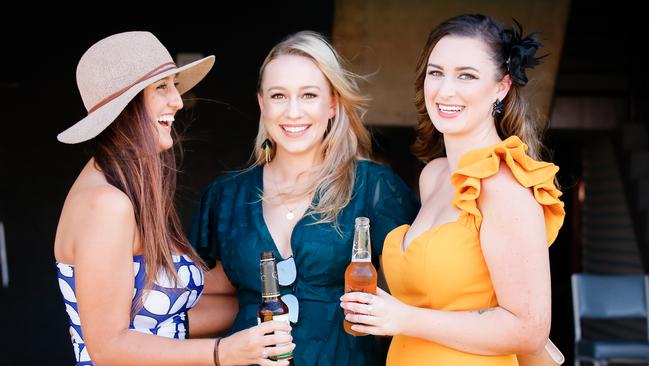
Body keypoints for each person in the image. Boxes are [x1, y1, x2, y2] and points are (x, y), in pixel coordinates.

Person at [54, 31, 293, 366]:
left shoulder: (125, 189)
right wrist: (222, 353)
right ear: (127, 104)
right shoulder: (106, 204)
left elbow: (169, 318)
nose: (178, 101)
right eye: (162, 87)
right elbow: (107, 348)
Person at [340, 14, 566, 366]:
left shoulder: (506, 188)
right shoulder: (435, 175)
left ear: (501, 87)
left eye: (467, 75)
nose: (446, 90)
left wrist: (402, 318)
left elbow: (529, 329)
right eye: (436, 72)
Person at [190, 30, 419, 365]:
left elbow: (423, 290)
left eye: (309, 95)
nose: (292, 112)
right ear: (261, 103)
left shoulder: (374, 187)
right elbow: (201, 295)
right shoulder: (226, 195)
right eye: (279, 96)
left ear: (332, 104)